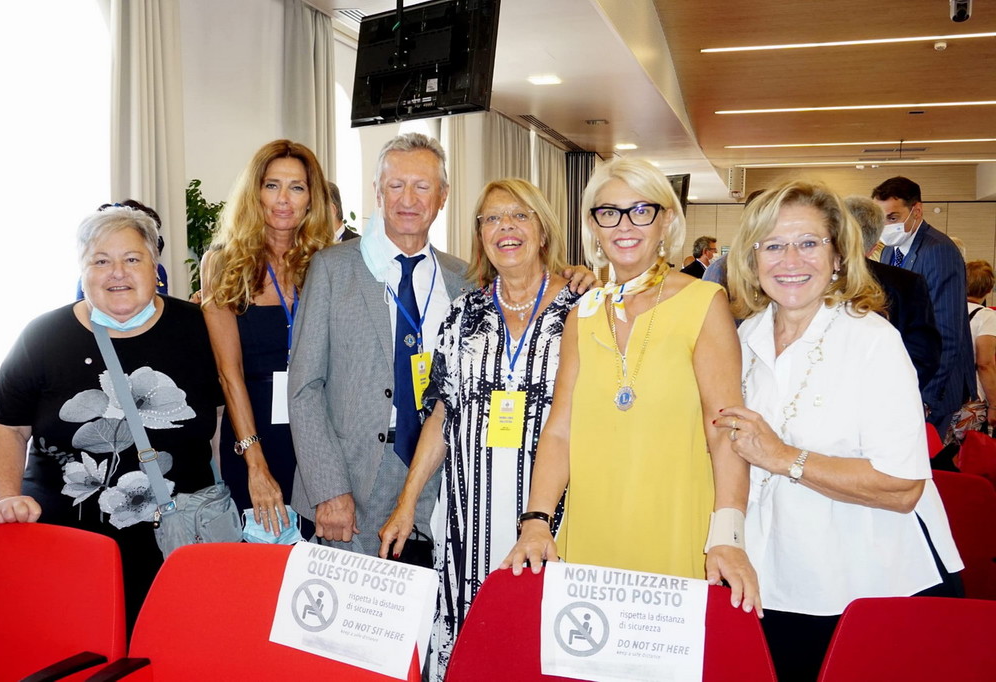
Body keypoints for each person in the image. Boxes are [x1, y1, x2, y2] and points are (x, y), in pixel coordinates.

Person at [289, 132, 596, 560]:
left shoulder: (465, 282)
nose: (408, 199)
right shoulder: (332, 268)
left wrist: (580, 277)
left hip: (444, 484)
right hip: (349, 484)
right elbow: (304, 388)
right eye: (396, 185)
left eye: (422, 186)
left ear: (443, 196)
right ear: (377, 191)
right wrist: (328, 488)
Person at [720, 180, 963, 682]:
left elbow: (902, 487)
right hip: (770, 574)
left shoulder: (872, 341)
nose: (791, 260)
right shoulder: (745, 336)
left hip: (869, 584)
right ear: (751, 258)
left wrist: (783, 456)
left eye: (809, 242)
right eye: (773, 245)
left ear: (837, 256)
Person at [502, 157, 760, 617]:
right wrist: (537, 520)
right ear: (593, 226)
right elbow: (560, 430)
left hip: (678, 527)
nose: (624, 225)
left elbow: (726, 432)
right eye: (609, 212)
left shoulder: (704, 302)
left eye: (641, 210)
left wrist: (729, 535)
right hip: (592, 527)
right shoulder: (581, 315)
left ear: (666, 221)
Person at [378, 179, 580, 679]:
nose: (505, 227)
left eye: (519, 215)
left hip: (554, 516)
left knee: (543, 642)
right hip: (468, 521)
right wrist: (407, 503)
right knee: (474, 646)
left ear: (543, 230)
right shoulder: (464, 314)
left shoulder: (582, 310)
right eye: (491, 218)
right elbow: (441, 415)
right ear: (480, 235)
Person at [0, 205, 223, 627]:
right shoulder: (42, 337)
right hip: (67, 543)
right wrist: (6, 498)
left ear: (155, 265)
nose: (117, 273)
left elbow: (224, 419)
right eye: (100, 261)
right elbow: (8, 428)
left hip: (179, 537)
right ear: (82, 270)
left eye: (132, 259)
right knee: (78, 645)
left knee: (176, 640)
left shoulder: (199, 328)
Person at [200, 139, 334, 537]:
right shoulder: (223, 263)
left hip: (319, 436)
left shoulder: (329, 263)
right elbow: (229, 374)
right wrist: (255, 464)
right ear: (254, 192)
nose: (283, 199)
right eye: (272, 185)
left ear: (312, 199)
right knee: (261, 560)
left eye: (297, 187)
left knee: (318, 559)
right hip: (253, 435)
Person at [873, 176, 974, 433]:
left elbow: (946, 331)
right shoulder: (889, 251)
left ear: (916, 211)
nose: (886, 226)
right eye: (880, 219)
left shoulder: (938, 251)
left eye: (893, 217)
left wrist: (926, 396)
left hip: (933, 386)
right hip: (905, 378)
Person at [845, 195, 941, 393]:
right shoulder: (906, 283)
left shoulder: (805, 280)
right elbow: (924, 357)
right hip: (885, 394)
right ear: (873, 247)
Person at [76, 199, 169, 299]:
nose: (119, 274)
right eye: (102, 262)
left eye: (132, 260)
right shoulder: (91, 276)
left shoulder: (159, 270)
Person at [963, 260, 996, 429]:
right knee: (970, 445)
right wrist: (994, 404)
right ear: (989, 289)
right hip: (971, 395)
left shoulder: (946, 309)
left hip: (942, 394)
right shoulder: (986, 316)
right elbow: (985, 364)